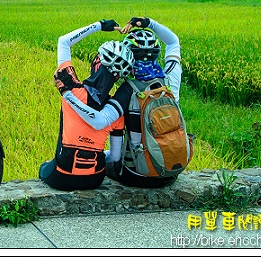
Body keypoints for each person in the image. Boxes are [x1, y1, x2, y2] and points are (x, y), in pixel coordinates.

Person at [54, 16, 183, 188]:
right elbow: (173, 41)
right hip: (171, 171)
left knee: (106, 161)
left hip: (138, 173)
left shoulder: (128, 90)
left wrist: (67, 93)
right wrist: (148, 23)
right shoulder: (170, 79)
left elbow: (100, 121)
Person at [38, 19, 134, 191]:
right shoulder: (115, 111)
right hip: (94, 179)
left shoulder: (72, 87)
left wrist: (99, 25)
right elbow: (114, 156)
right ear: (118, 77)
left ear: (97, 62)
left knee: (44, 168)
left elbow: (64, 41)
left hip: (62, 176)